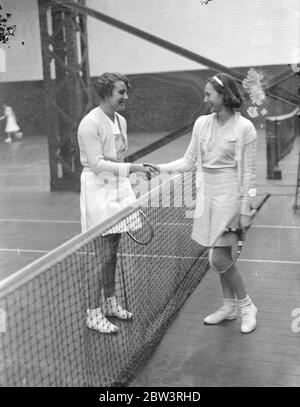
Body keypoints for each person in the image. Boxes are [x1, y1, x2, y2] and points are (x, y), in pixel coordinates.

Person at [151, 73, 258, 334]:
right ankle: (228, 305)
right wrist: (158, 168)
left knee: (219, 257)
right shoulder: (202, 123)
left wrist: (245, 210)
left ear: (224, 96)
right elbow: (189, 160)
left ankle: (247, 306)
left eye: (209, 94)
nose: (205, 99)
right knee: (222, 256)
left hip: (230, 197)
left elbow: (248, 174)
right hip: (206, 195)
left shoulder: (245, 128)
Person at [78, 72, 157, 334]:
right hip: (98, 189)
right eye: (120, 92)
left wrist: (129, 171)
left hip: (118, 186)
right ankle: (93, 313)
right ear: (106, 94)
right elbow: (98, 164)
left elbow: (118, 156)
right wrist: (132, 168)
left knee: (113, 251)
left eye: (125, 91)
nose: (125, 97)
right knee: (102, 257)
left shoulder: (120, 120)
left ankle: (110, 304)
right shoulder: (89, 124)